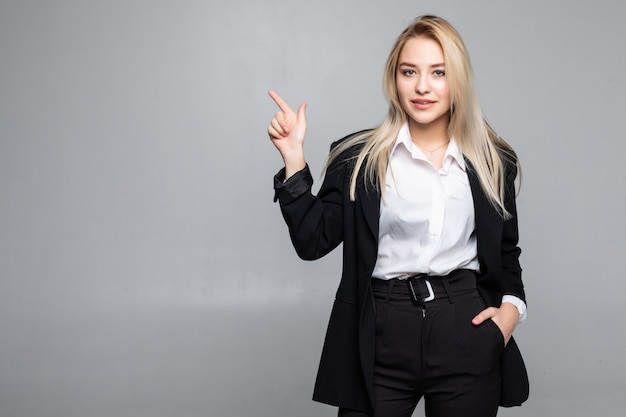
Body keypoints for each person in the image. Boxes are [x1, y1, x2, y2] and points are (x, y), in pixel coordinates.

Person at [266, 15, 528, 417]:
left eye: (438, 73)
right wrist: (293, 158)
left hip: (466, 328)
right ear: (394, 79)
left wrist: (508, 316)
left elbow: (506, 253)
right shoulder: (358, 157)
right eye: (410, 72)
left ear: (457, 80)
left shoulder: (493, 161)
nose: (423, 86)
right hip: (380, 331)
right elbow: (312, 241)